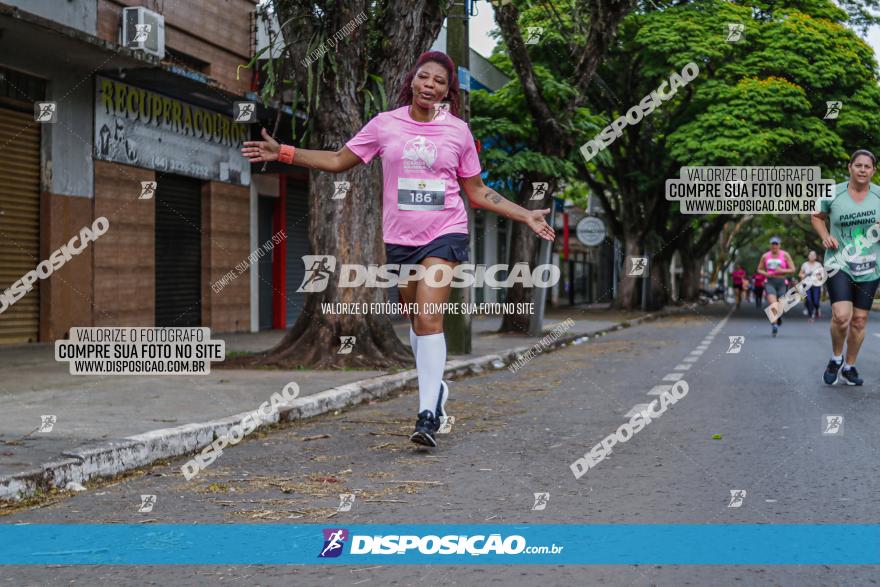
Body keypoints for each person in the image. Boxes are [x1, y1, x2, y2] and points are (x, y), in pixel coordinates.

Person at [241, 51, 555, 445]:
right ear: (412, 82)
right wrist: (284, 152)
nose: (430, 85)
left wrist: (523, 214)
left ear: (448, 91)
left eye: (439, 81)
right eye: (424, 77)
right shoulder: (385, 125)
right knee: (416, 322)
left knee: (429, 318)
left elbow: (476, 192)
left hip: (446, 231)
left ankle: (427, 416)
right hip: (400, 240)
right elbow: (340, 160)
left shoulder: (457, 132)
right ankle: (436, 390)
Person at [812, 149, 880, 386]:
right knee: (841, 317)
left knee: (860, 320)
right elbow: (817, 216)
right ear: (850, 167)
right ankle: (836, 357)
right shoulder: (834, 192)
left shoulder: (879, 196)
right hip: (838, 263)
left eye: (867, 167)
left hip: (870, 266)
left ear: (873, 171)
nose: (863, 170)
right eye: (858, 165)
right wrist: (825, 236)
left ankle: (849, 366)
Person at [757, 237, 795, 337]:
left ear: (779, 245)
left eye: (776, 244)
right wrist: (766, 273)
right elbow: (759, 269)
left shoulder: (785, 255)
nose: (774, 246)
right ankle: (774, 326)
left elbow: (793, 269)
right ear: (770, 245)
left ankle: (778, 317)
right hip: (769, 282)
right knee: (773, 304)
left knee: (780, 306)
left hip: (782, 282)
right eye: (773, 244)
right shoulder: (765, 256)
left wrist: (782, 271)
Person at [799, 250, 823, 322]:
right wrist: (803, 275)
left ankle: (817, 308)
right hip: (807, 285)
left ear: (816, 257)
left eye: (813, 255)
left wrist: (818, 277)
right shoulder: (805, 264)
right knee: (809, 300)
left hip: (816, 285)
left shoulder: (818, 265)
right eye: (810, 255)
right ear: (808, 256)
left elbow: (822, 275)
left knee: (816, 301)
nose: (812, 256)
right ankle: (811, 316)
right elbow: (800, 274)